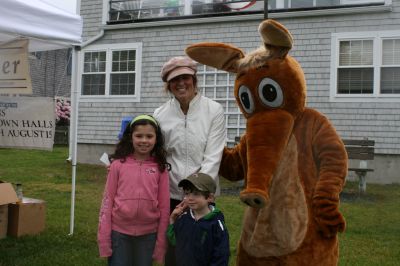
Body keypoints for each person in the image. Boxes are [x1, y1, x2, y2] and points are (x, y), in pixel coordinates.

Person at [153, 56, 226, 265]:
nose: (181, 83)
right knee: (174, 250)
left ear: (194, 79)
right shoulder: (160, 114)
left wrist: (197, 194)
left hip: (203, 196)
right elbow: (158, 155)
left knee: (202, 249)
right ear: (169, 85)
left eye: (185, 77)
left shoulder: (214, 110)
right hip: (172, 194)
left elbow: (213, 155)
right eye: (175, 80)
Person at [97, 114, 170, 266]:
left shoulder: (160, 169)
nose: (144, 140)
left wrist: (161, 243)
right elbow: (107, 201)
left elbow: (164, 207)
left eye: (149, 136)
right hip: (119, 233)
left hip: (148, 235)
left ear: (156, 139)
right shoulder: (117, 165)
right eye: (139, 136)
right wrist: (104, 237)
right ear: (131, 137)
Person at [167, 173, 230, 266]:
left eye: (196, 194)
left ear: (210, 198)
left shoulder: (216, 224)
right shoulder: (184, 218)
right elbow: (175, 240)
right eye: (187, 193)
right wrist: (172, 221)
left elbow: (221, 255)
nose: (190, 198)